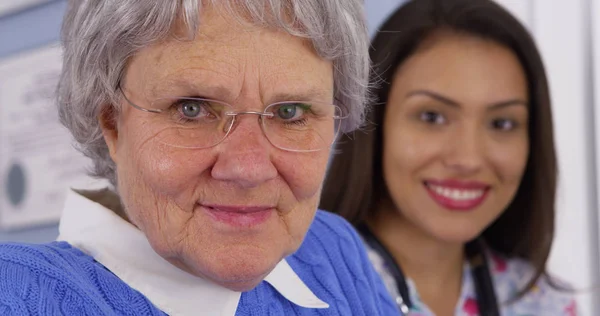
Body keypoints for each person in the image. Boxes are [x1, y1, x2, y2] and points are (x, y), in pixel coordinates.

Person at [0, 1, 401, 315]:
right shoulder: (15, 296)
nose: (248, 168)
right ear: (111, 122)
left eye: (290, 112)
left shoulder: (332, 248)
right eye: (192, 108)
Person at [320, 0, 577, 315]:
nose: (468, 158)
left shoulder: (543, 303)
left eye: (502, 123)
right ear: (373, 122)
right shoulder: (298, 290)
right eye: (432, 117)